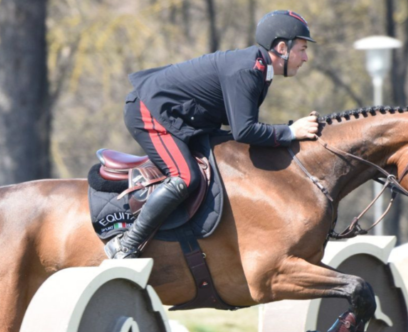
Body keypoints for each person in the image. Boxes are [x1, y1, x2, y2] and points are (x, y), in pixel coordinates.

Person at [105, 10, 321, 259]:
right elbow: (244, 130)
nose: (305, 57)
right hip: (148, 112)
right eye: (302, 49)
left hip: (176, 116)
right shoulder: (249, 70)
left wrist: (286, 133)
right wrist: (291, 131)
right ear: (282, 47)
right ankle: (125, 244)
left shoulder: (260, 69)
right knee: (185, 178)